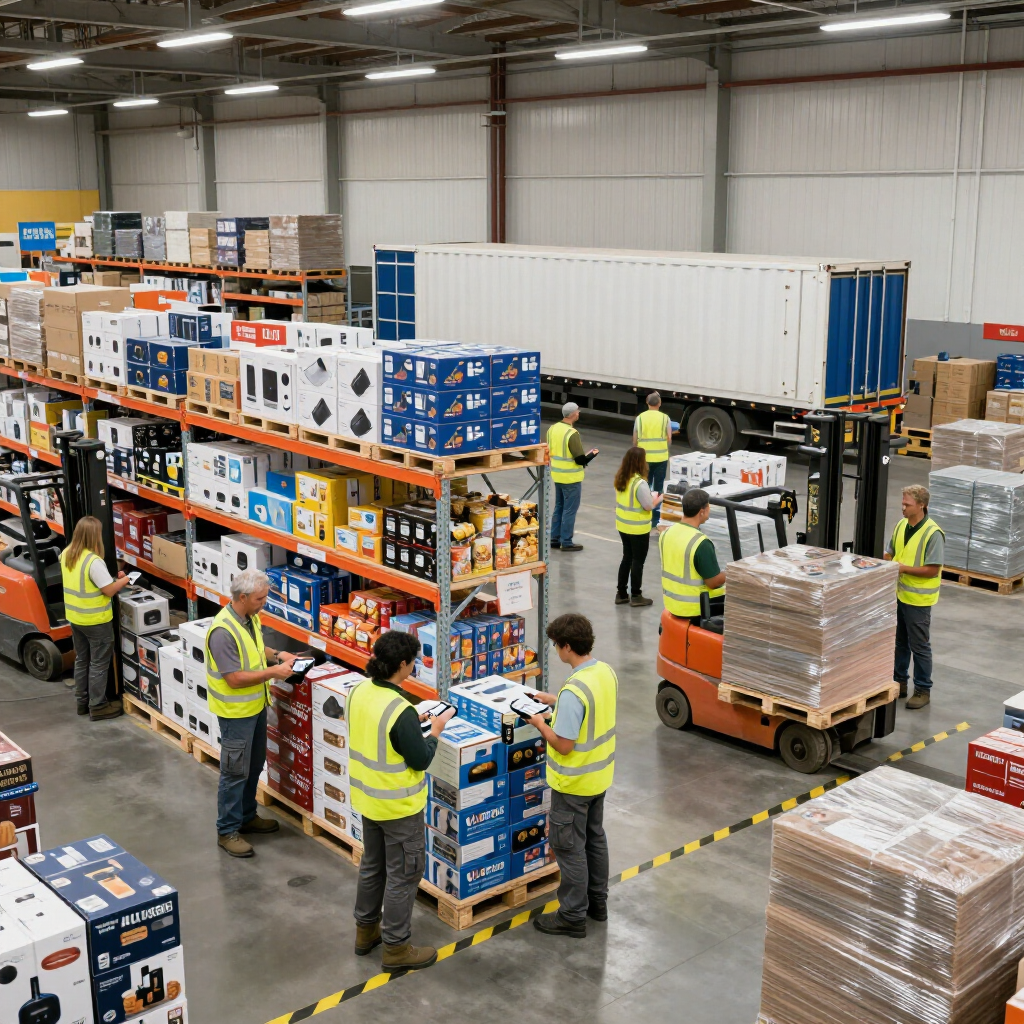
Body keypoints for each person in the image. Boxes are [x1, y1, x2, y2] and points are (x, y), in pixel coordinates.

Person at [350, 631, 455, 972]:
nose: (414, 667)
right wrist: (435, 730)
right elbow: (421, 759)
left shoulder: (359, 691)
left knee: (373, 866)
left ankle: (366, 931)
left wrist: (414, 723)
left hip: (368, 800)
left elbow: (380, 734)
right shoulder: (400, 710)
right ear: (403, 664)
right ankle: (396, 947)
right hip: (398, 807)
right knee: (404, 875)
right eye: (413, 663)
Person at [526, 613, 617, 939]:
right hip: (599, 778)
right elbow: (592, 711)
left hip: (574, 784)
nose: (555, 650)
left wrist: (540, 723)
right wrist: (555, 702)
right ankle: (597, 904)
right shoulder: (605, 672)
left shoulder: (574, 690)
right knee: (595, 838)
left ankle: (572, 915)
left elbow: (564, 745)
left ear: (566, 647)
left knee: (569, 848)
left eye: (555, 645)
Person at [205, 568, 297, 858]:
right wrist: (274, 672)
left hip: (255, 707)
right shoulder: (222, 632)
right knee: (234, 772)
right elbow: (233, 678)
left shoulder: (249, 617)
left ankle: (246, 816)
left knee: (255, 765)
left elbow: (257, 649)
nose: (264, 603)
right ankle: (227, 830)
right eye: (260, 599)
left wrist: (278, 655)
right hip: (235, 714)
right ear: (242, 597)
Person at [60, 516, 134, 721]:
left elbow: (88, 583)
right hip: (96, 621)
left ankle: (82, 702)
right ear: (94, 536)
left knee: (82, 660)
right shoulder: (93, 561)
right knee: (99, 663)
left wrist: (113, 579)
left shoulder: (66, 554)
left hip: (76, 618)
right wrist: (125, 580)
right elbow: (108, 591)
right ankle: (98, 705)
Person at [884, 484, 944, 710]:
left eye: (907, 505)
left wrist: (902, 568)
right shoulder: (901, 525)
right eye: (902, 503)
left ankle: (922, 689)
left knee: (919, 646)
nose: (903, 508)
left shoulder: (932, 533)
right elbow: (890, 552)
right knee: (900, 642)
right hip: (898, 594)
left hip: (918, 600)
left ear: (921, 505)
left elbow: (932, 570)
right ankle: (899, 682)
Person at [659, 488, 726, 622]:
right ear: (702, 511)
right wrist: (732, 572)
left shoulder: (666, 533)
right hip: (695, 608)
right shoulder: (701, 543)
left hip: (672, 603)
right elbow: (713, 582)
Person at [613, 446, 664, 607]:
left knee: (627, 557)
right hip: (638, 528)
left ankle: (621, 593)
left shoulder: (621, 478)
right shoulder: (640, 483)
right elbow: (648, 506)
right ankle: (636, 594)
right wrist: (659, 498)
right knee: (638, 561)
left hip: (623, 525)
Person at [546, 402, 599, 553]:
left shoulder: (552, 429)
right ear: (573, 414)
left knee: (559, 507)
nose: (579, 413)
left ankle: (554, 538)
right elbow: (580, 459)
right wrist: (592, 455)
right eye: (577, 411)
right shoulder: (571, 433)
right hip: (571, 477)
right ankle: (566, 541)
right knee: (570, 510)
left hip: (557, 474)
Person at [632, 392, 672, 528]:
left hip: (644, 459)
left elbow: (635, 439)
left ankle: (643, 514)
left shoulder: (640, 418)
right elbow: (669, 438)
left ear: (647, 403)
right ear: (659, 403)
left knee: (643, 487)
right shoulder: (665, 418)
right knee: (658, 488)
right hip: (661, 458)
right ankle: (655, 519)